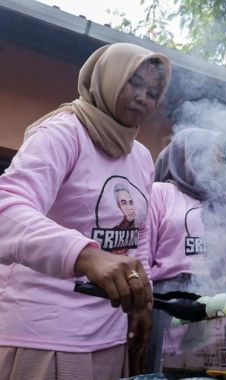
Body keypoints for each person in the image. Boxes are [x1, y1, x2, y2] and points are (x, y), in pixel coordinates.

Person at [0, 42, 172, 379]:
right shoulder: (64, 133)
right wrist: (87, 255)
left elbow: (138, 235)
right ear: (105, 78)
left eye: (153, 92)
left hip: (108, 334)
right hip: (48, 334)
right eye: (133, 83)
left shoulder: (140, 156)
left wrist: (142, 301)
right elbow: (6, 210)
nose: (143, 98)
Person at [147, 127, 226, 373]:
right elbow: (143, 252)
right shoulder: (160, 193)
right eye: (213, 154)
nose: (219, 161)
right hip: (168, 300)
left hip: (218, 301)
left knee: (213, 371)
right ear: (193, 155)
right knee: (168, 370)